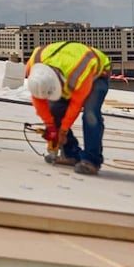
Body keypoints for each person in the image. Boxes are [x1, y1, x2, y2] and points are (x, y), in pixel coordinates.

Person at [24, 41, 111, 175]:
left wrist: (62, 131)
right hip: (65, 70)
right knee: (55, 109)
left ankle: (91, 161)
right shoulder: (34, 65)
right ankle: (71, 154)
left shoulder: (79, 73)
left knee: (90, 114)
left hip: (97, 74)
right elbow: (39, 100)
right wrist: (50, 126)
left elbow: (75, 105)